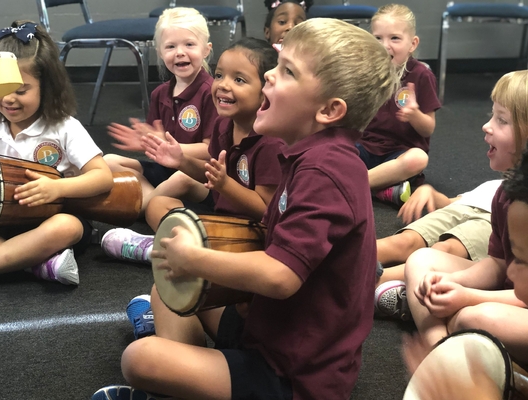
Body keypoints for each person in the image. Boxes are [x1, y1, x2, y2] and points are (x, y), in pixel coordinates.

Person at [92, 18, 397, 400]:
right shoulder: (305, 154)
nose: (269, 74)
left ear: (329, 110)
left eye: (287, 71)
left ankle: (187, 380)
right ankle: (192, 379)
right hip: (268, 325)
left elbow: (281, 276)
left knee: (140, 359)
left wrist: (194, 258)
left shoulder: (327, 170)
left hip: (295, 371)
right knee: (167, 292)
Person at [0, 21, 113, 286]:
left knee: (68, 227)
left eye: (21, 90)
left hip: (47, 222)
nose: (8, 99)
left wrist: (58, 188)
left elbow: (103, 176)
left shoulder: (63, 126)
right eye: (0, 88)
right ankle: (36, 263)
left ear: (47, 87)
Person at [102, 38, 283, 266]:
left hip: (252, 232)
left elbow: (265, 210)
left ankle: (170, 251)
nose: (223, 85)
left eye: (239, 79)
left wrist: (224, 184)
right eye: (219, 75)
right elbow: (207, 173)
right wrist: (181, 161)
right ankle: (178, 251)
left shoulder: (271, 142)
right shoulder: (224, 125)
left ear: (265, 91)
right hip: (222, 212)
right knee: (158, 205)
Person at [404, 70, 528, 365]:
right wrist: (451, 283)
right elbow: (499, 265)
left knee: (471, 317)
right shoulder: (504, 194)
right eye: (491, 115)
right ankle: (440, 352)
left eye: (501, 119)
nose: (486, 126)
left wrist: (468, 296)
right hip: (512, 295)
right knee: (421, 261)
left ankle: (451, 351)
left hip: (516, 303)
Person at [103, 7, 218, 213]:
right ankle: (152, 201)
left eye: (189, 44)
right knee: (109, 161)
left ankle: (138, 210)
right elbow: (155, 146)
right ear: (160, 53)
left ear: (206, 49)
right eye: (171, 46)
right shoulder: (159, 93)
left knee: (181, 179)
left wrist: (171, 148)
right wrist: (149, 143)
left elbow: (211, 150)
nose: (180, 52)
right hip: (165, 170)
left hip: (198, 175)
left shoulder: (211, 92)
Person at [374, 179, 502, 320]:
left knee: (444, 249)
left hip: (496, 219)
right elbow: (449, 202)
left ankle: (364, 284)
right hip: (461, 207)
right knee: (403, 241)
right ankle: (348, 258)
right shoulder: (496, 182)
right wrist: (430, 191)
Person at [358, 4, 440, 207]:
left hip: (400, 153)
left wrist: (414, 115)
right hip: (365, 147)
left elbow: (428, 127)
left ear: (412, 44)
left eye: (394, 38)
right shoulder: (366, 71)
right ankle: (382, 190)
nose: (385, 45)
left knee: (418, 159)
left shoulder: (421, 75)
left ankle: (354, 185)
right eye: (378, 38)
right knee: (332, 149)